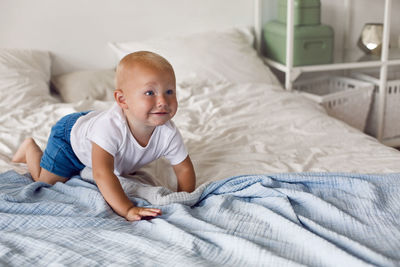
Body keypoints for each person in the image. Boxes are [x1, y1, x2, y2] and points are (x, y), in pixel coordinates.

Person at [12, 51, 196, 221]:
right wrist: (127, 209)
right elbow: (102, 173)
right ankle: (29, 148)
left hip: (93, 124)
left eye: (169, 91)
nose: (163, 101)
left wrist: (184, 201)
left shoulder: (168, 132)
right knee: (46, 182)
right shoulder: (109, 129)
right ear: (122, 100)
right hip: (70, 139)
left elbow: (184, 169)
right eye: (150, 93)